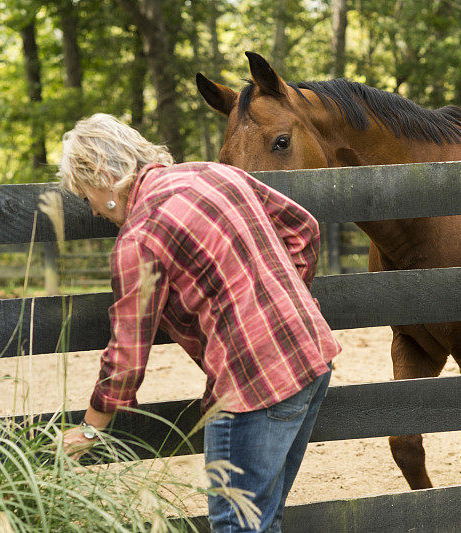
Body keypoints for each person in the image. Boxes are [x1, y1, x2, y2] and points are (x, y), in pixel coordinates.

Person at [57, 113, 340, 532]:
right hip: (311, 355)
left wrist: (90, 430)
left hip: (254, 385)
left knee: (236, 525)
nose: (94, 212)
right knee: (262, 519)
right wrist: (282, 302)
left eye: (86, 197)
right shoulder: (212, 174)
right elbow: (302, 228)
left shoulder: (138, 239)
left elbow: (126, 360)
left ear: (101, 175)